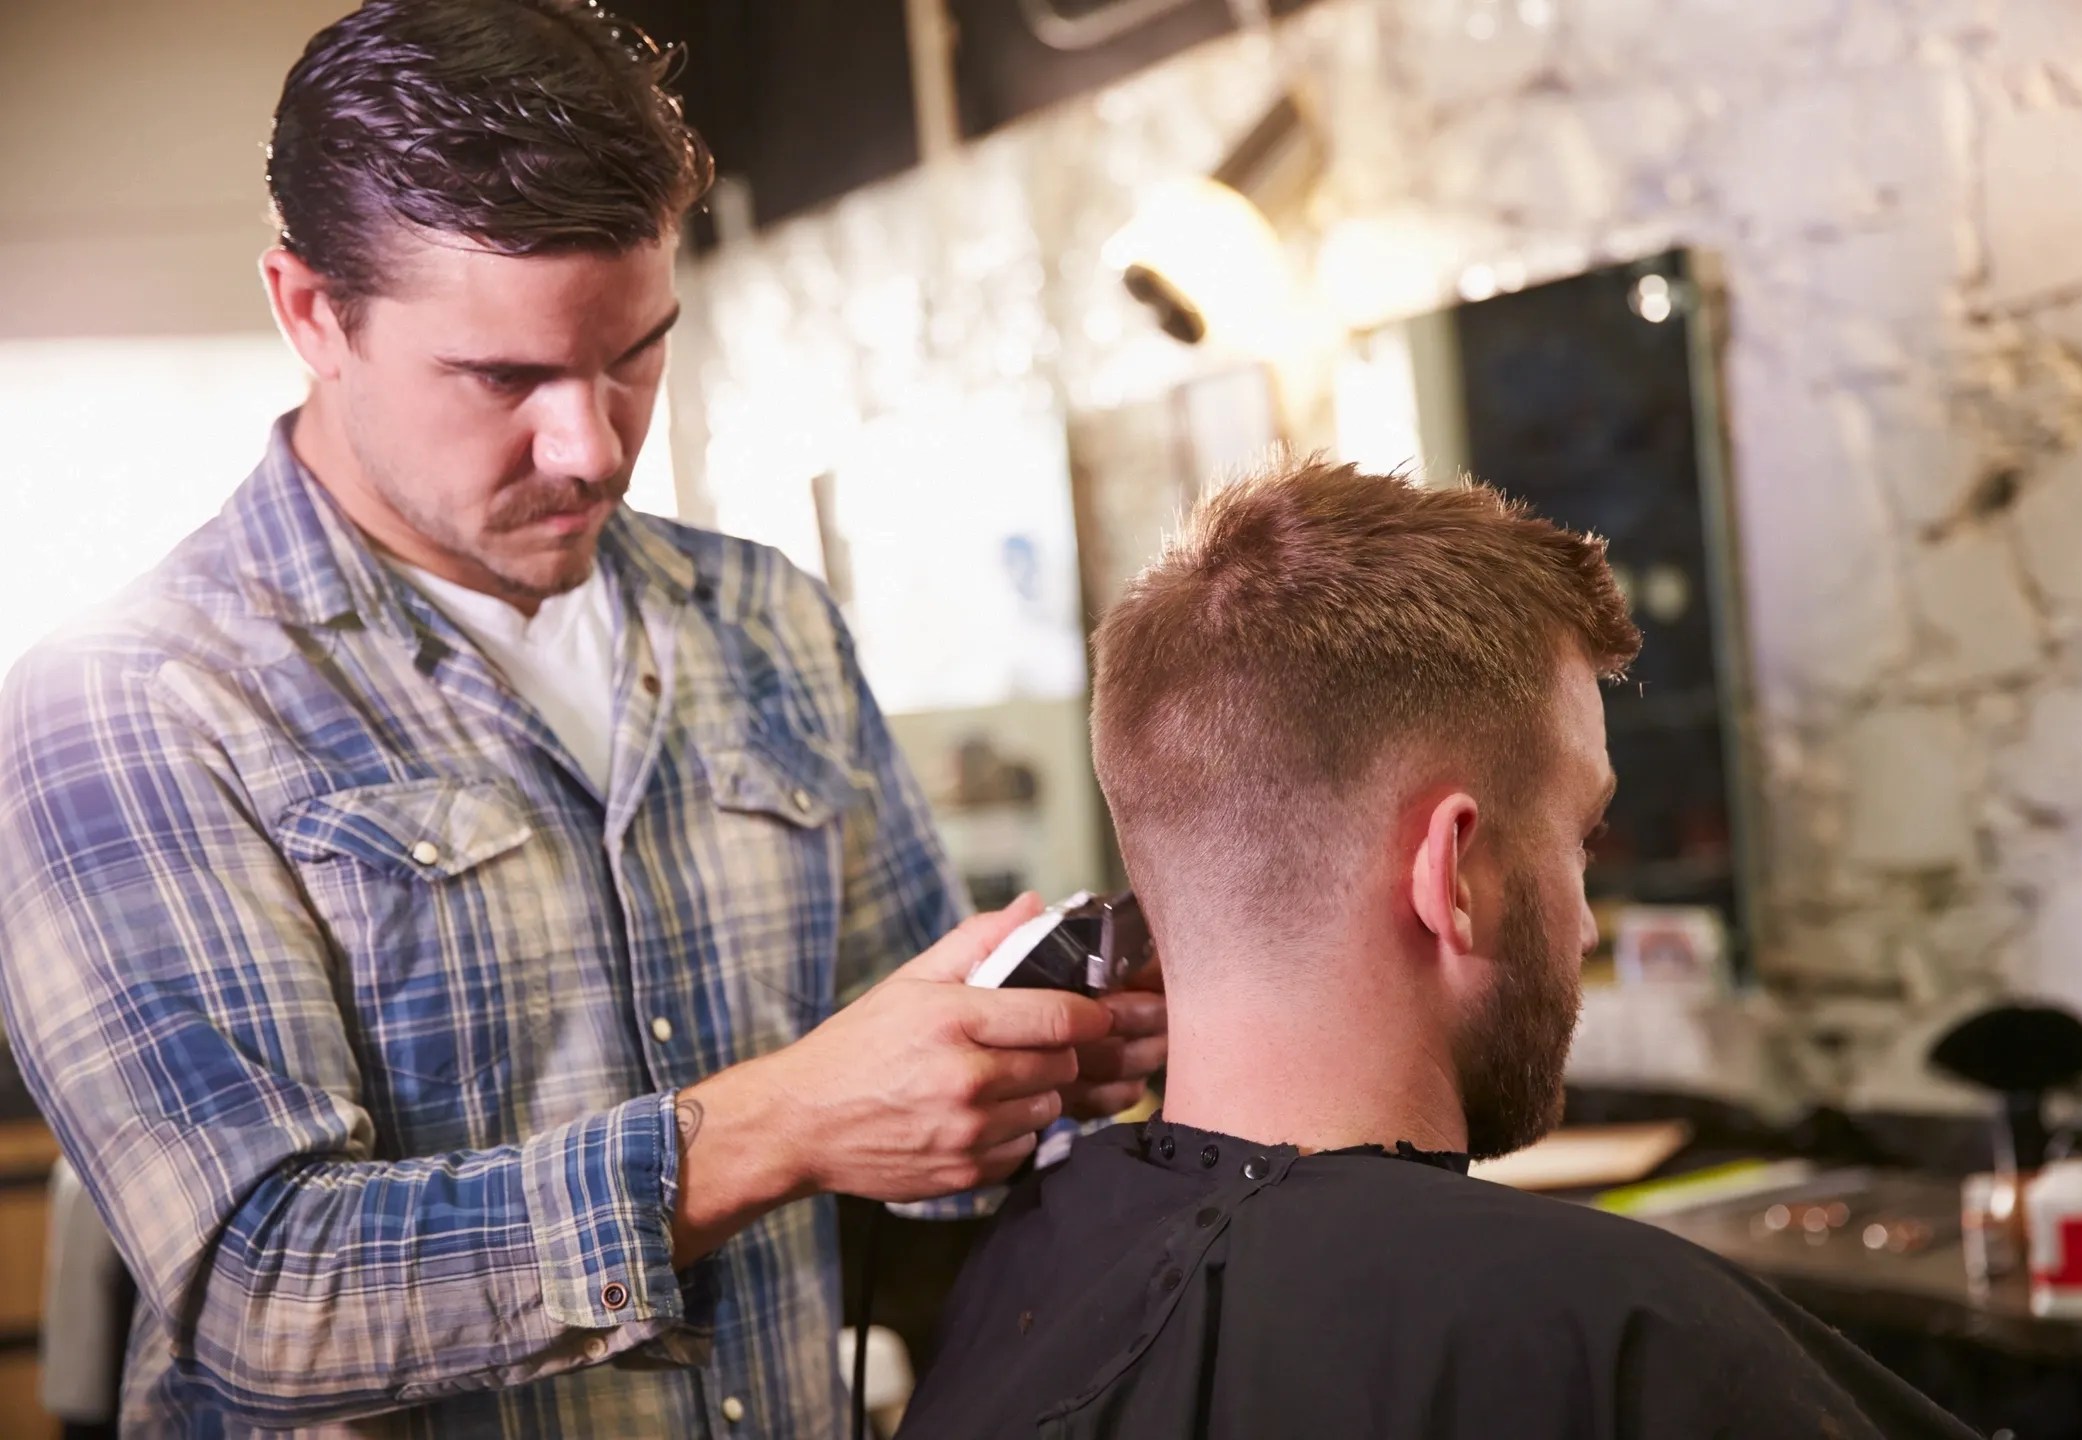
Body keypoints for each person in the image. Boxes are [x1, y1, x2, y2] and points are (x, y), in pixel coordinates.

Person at [0, 2, 1167, 1435]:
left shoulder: (763, 619)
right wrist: (774, 1126)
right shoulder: (126, 705)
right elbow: (264, 1291)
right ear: (313, 311)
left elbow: (911, 1142)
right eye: (508, 378)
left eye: (634, 354)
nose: (594, 445)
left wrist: (1026, 1073)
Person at [898, 460, 1976, 1439]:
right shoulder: (1617, 1339)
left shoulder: (1016, 1273)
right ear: (1451, 872)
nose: (1588, 919)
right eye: (1580, 838)